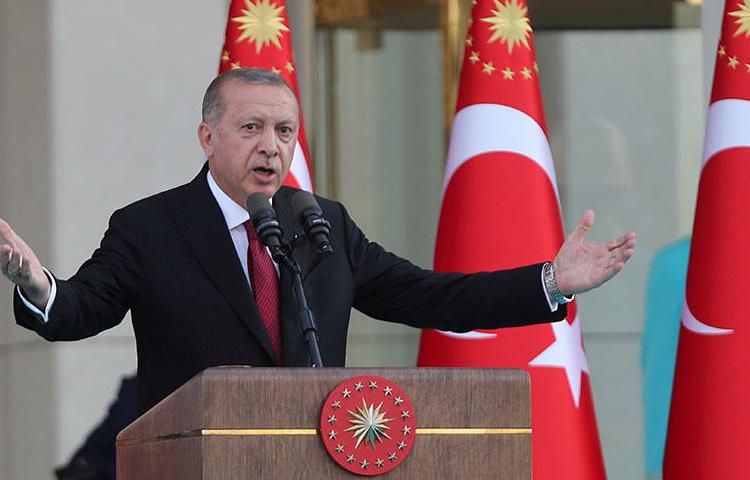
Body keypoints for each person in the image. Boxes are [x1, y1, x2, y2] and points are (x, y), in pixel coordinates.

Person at [0, 68, 636, 415]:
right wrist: (37, 284)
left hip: (319, 454)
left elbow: (430, 297)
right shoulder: (150, 227)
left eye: (283, 130)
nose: (270, 146)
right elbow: (80, 309)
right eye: (250, 127)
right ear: (207, 137)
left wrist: (549, 281)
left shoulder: (318, 222)